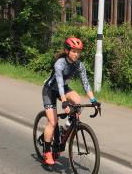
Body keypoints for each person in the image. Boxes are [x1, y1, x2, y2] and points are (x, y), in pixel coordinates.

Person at [41, 37, 97, 165]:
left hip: (63, 89)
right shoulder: (59, 63)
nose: (76, 54)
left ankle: (65, 130)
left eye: (79, 52)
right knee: (53, 121)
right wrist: (64, 101)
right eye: (74, 51)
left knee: (78, 101)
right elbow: (59, 83)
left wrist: (94, 100)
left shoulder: (79, 65)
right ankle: (47, 151)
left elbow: (85, 83)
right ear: (67, 51)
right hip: (50, 90)